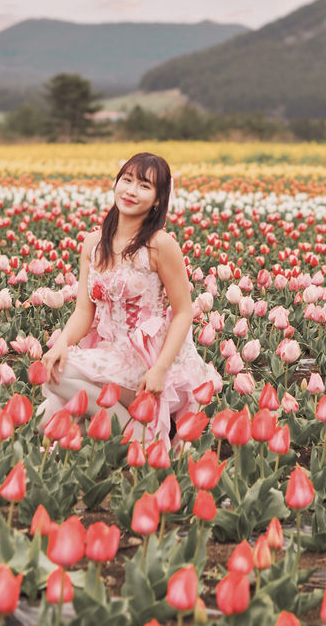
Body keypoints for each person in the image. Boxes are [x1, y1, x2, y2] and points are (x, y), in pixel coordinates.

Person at [40, 151, 222, 447]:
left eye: (144, 186)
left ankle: (147, 442)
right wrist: (61, 343)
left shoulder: (161, 245)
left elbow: (183, 312)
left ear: (159, 200)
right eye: (127, 180)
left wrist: (160, 368)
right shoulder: (93, 244)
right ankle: (125, 432)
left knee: (57, 381)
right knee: (47, 415)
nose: (131, 191)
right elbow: (84, 312)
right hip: (108, 351)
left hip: (145, 357)